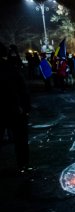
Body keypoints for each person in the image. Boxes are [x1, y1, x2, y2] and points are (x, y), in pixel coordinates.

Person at [0, 42, 32, 173]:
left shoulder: (10, 68)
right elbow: (21, 89)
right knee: (20, 139)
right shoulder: (10, 68)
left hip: (11, 108)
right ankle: (23, 165)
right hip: (14, 110)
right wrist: (25, 108)